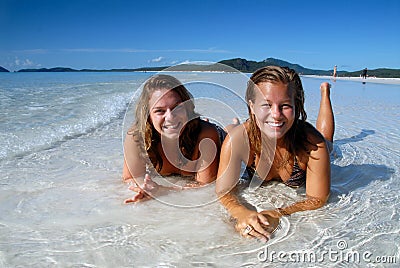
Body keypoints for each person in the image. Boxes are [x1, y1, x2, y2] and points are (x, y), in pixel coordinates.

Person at [216, 66, 334, 241]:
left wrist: (279, 213)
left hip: (308, 138)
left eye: (285, 105)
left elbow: (317, 199)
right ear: (252, 106)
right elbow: (224, 191)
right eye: (266, 104)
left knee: (327, 143)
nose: (276, 114)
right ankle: (234, 124)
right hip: (246, 131)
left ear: (297, 106)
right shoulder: (237, 141)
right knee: (234, 132)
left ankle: (325, 93)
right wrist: (240, 212)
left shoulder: (311, 144)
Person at [123, 74, 228, 203]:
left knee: (232, 131)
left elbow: (205, 185)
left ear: (187, 108)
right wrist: (144, 188)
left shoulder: (206, 134)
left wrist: (161, 190)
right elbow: (130, 178)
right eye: (160, 111)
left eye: (177, 107)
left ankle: (233, 124)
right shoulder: (137, 136)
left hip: (216, 134)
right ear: (148, 116)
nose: (170, 117)